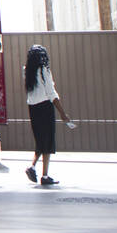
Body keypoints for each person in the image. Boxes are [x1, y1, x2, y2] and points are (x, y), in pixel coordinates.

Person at [24, 44, 71, 186]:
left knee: (40, 139)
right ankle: (44, 175)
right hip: (45, 107)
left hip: (32, 108)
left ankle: (32, 167)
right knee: (48, 140)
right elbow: (51, 93)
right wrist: (62, 113)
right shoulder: (44, 70)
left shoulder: (26, 71)